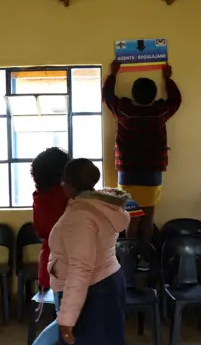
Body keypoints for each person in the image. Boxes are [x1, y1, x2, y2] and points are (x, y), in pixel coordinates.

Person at [103, 60, 182, 270]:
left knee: (132, 217)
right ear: (154, 95)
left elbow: (108, 97)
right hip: (152, 174)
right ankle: (145, 259)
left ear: (134, 94)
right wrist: (168, 79)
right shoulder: (160, 113)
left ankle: (129, 258)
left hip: (127, 175)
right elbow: (176, 100)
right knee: (148, 217)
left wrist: (113, 75)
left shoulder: (124, 111)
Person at [48, 159, 130, 345]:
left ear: (69, 185)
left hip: (92, 292)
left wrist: (67, 318)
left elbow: (81, 268)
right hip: (109, 281)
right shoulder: (102, 204)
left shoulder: (80, 216)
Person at [30, 147, 70, 344]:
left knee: (64, 317)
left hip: (50, 264)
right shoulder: (67, 195)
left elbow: (40, 231)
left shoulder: (39, 196)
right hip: (66, 266)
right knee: (66, 321)